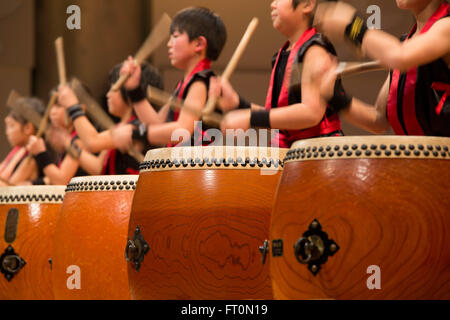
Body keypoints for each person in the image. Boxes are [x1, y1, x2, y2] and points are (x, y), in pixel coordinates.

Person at [208, 0, 346, 149]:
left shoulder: (315, 51)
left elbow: (311, 113)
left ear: (307, 4)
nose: (272, 5)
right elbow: (285, 122)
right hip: (297, 153)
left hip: (321, 153)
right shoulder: (282, 55)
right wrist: (239, 104)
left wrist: (251, 117)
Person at [314, 0, 450, 136]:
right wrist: (335, 95)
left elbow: (399, 57)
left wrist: (354, 26)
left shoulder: (447, 26)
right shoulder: (404, 44)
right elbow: (379, 121)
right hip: (419, 156)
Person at [112, 6, 227, 148]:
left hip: (198, 168)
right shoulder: (185, 83)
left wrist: (135, 133)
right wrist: (134, 90)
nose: (169, 44)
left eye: (175, 36)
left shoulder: (201, 82)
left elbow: (183, 129)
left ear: (199, 43)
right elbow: (157, 124)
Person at [57, 62, 163, 175]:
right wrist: (68, 144)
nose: (108, 94)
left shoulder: (136, 127)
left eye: (113, 88)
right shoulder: (120, 127)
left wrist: (73, 106)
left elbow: (92, 142)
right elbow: (98, 167)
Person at [26, 88, 90, 185]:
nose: (52, 112)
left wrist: (41, 153)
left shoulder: (79, 140)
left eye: (59, 106)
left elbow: (61, 181)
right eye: (52, 106)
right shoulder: (68, 138)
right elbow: (52, 179)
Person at [0, 97, 44, 186]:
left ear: (28, 127)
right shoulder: (18, 151)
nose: (7, 132)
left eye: (11, 126)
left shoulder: (31, 159)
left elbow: (7, 189)